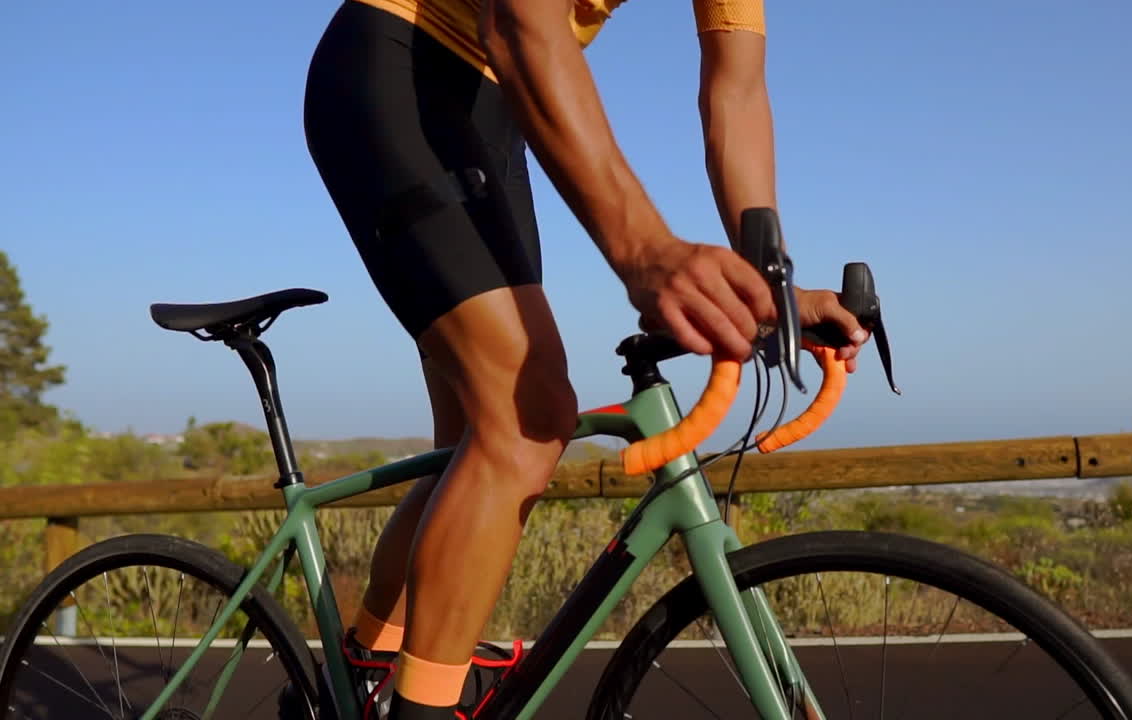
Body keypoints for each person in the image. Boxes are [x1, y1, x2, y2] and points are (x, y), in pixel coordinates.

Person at [302, 0, 868, 717]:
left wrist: (774, 284)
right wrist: (645, 250)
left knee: (473, 452)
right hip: (396, 65)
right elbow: (520, 22)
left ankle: (359, 673)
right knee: (526, 420)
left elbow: (738, 89)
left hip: (496, 108)